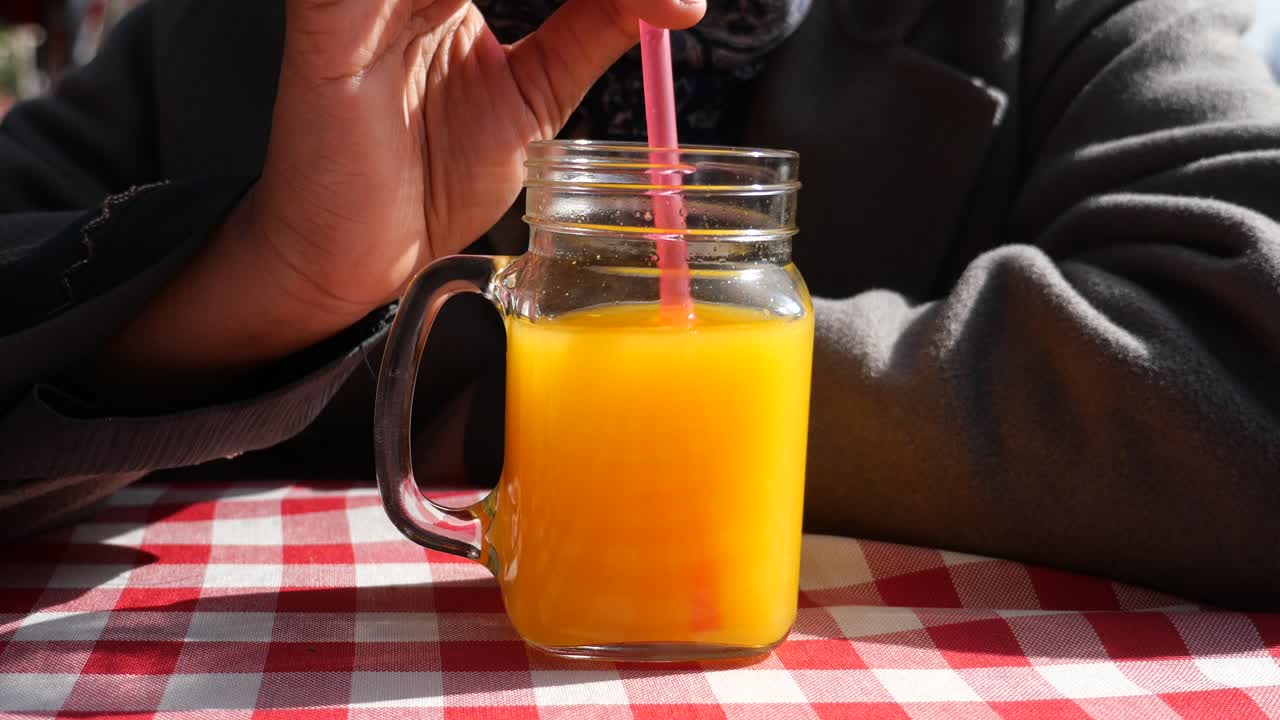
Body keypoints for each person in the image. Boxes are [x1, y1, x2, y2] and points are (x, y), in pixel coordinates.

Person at [2, 0, 1278, 608]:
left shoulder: (1060, 22)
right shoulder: (245, 32)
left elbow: (1247, 365)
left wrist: (536, 384)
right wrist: (261, 282)